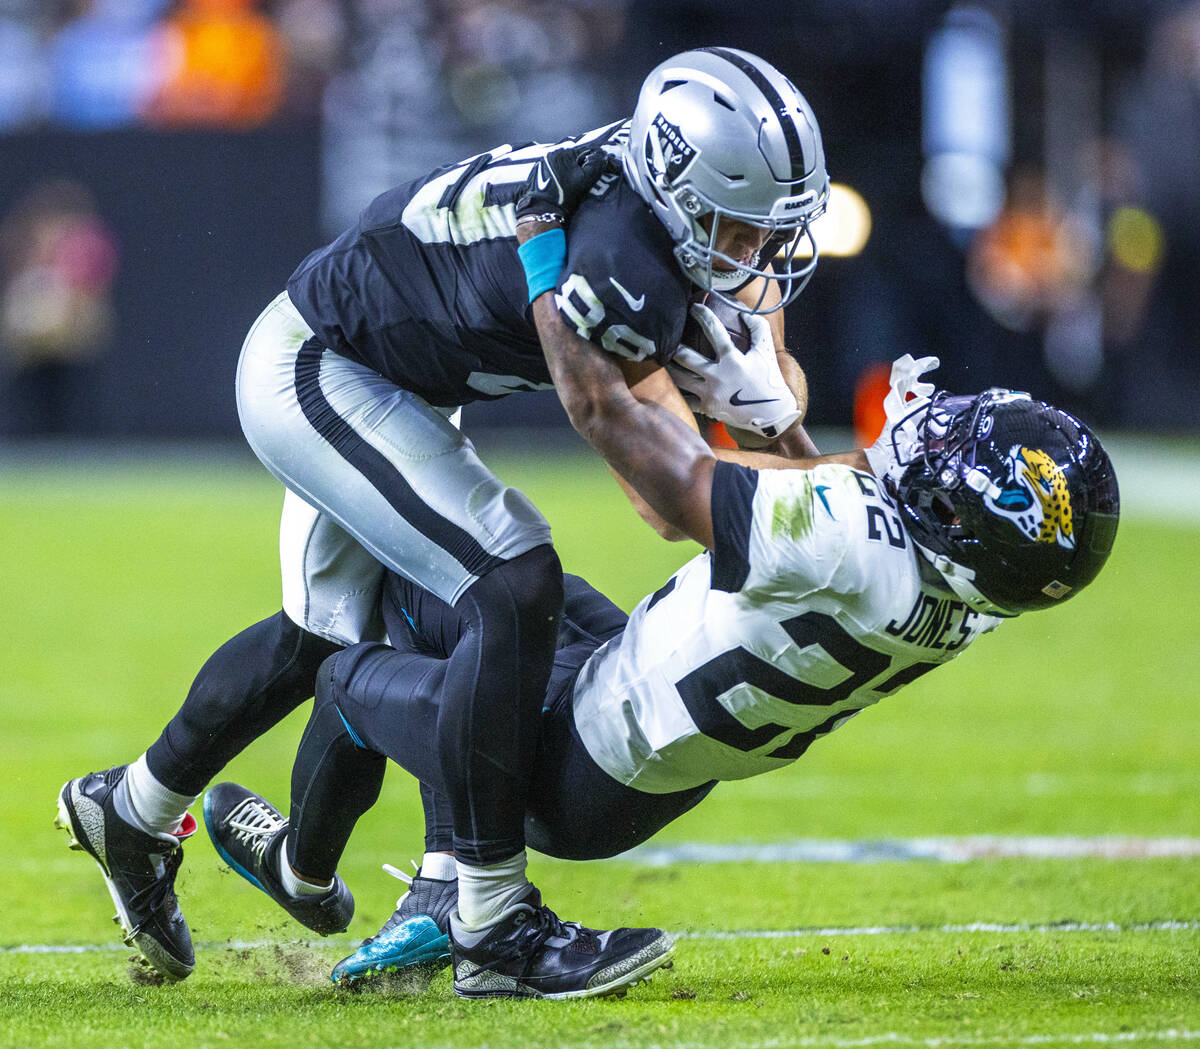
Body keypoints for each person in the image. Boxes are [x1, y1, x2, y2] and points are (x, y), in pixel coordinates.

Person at [54, 47, 831, 989]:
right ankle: (490, 923)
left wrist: (771, 404)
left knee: (320, 636)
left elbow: (761, 334)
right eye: (734, 227)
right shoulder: (618, 256)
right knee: (510, 578)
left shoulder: (665, 213)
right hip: (325, 363)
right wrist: (775, 428)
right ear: (673, 181)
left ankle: (130, 812)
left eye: (766, 230)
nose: (751, 256)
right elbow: (663, 498)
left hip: (398, 370)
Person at [202, 360, 1120, 997]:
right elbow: (829, 500)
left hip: (575, 760)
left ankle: (305, 872)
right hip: (637, 731)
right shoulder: (970, 597)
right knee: (469, 587)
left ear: (968, 519)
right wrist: (771, 402)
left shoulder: (848, 537)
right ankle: (449, 888)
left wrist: (634, 366)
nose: (931, 446)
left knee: (349, 673)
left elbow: (658, 486)